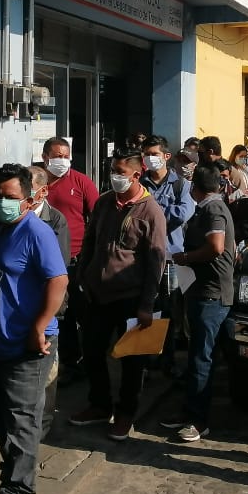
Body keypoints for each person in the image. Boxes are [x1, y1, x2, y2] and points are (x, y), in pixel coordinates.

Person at [0, 165, 68, 494]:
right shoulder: (1, 229)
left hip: (29, 348)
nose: (3, 201)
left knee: (21, 426)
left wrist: (39, 326)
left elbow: (58, 280)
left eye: (11, 196)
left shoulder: (37, 232)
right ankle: (9, 484)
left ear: (30, 200)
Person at [69, 148, 168, 440]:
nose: (114, 177)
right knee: (93, 353)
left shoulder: (151, 212)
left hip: (131, 298)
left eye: (120, 173)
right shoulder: (103, 203)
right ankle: (99, 405)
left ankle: (126, 413)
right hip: (97, 295)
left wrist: (147, 304)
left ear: (136, 175)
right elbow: (90, 241)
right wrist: (83, 276)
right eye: (112, 171)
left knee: (132, 362)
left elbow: (156, 261)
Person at [161, 165, 236, 443]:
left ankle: (197, 420)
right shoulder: (209, 208)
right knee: (196, 356)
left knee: (202, 357)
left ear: (196, 188)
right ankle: (189, 411)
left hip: (211, 294)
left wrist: (185, 258)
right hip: (201, 290)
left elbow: (216, 246)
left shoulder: (213, 210)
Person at [40, 137, 98, 377]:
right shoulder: (36, 181)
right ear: (45, 157)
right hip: (44, 261)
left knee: (80, 311)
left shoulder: (81, 182)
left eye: (66, 156)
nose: (62, 161)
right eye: (57, 156)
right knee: (57, 313)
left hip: (75, 260)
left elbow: (97, 216)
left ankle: (89, 360)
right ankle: (67, 362)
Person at [139, 135, 195, 375]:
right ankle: (148, 357)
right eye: (147, 154)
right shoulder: (140, 183)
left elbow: (184, 213)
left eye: (154, 154)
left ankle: (168, 359)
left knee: (170, 308)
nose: (150, 159)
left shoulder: (181, 184)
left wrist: (152, 213)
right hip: (143, 255)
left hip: (171, 256)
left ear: (166, 156)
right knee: (148, 307)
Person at [25, 165, 70, 438]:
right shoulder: (10, 217)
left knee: (47, 367)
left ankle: (42, 423)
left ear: (42, 191)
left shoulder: (55, 220)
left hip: (47, 303)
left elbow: (59, 269)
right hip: (19, 304)